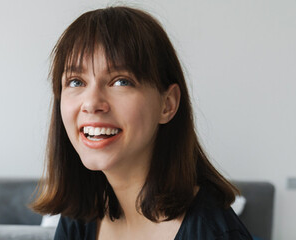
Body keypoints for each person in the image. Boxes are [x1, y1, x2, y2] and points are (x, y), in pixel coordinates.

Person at [30, 6, 253, 240]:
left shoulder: (214, 233)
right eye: (76, 82)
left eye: (121, 81)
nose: (92, 103)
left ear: (167, 104)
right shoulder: (79, 218)